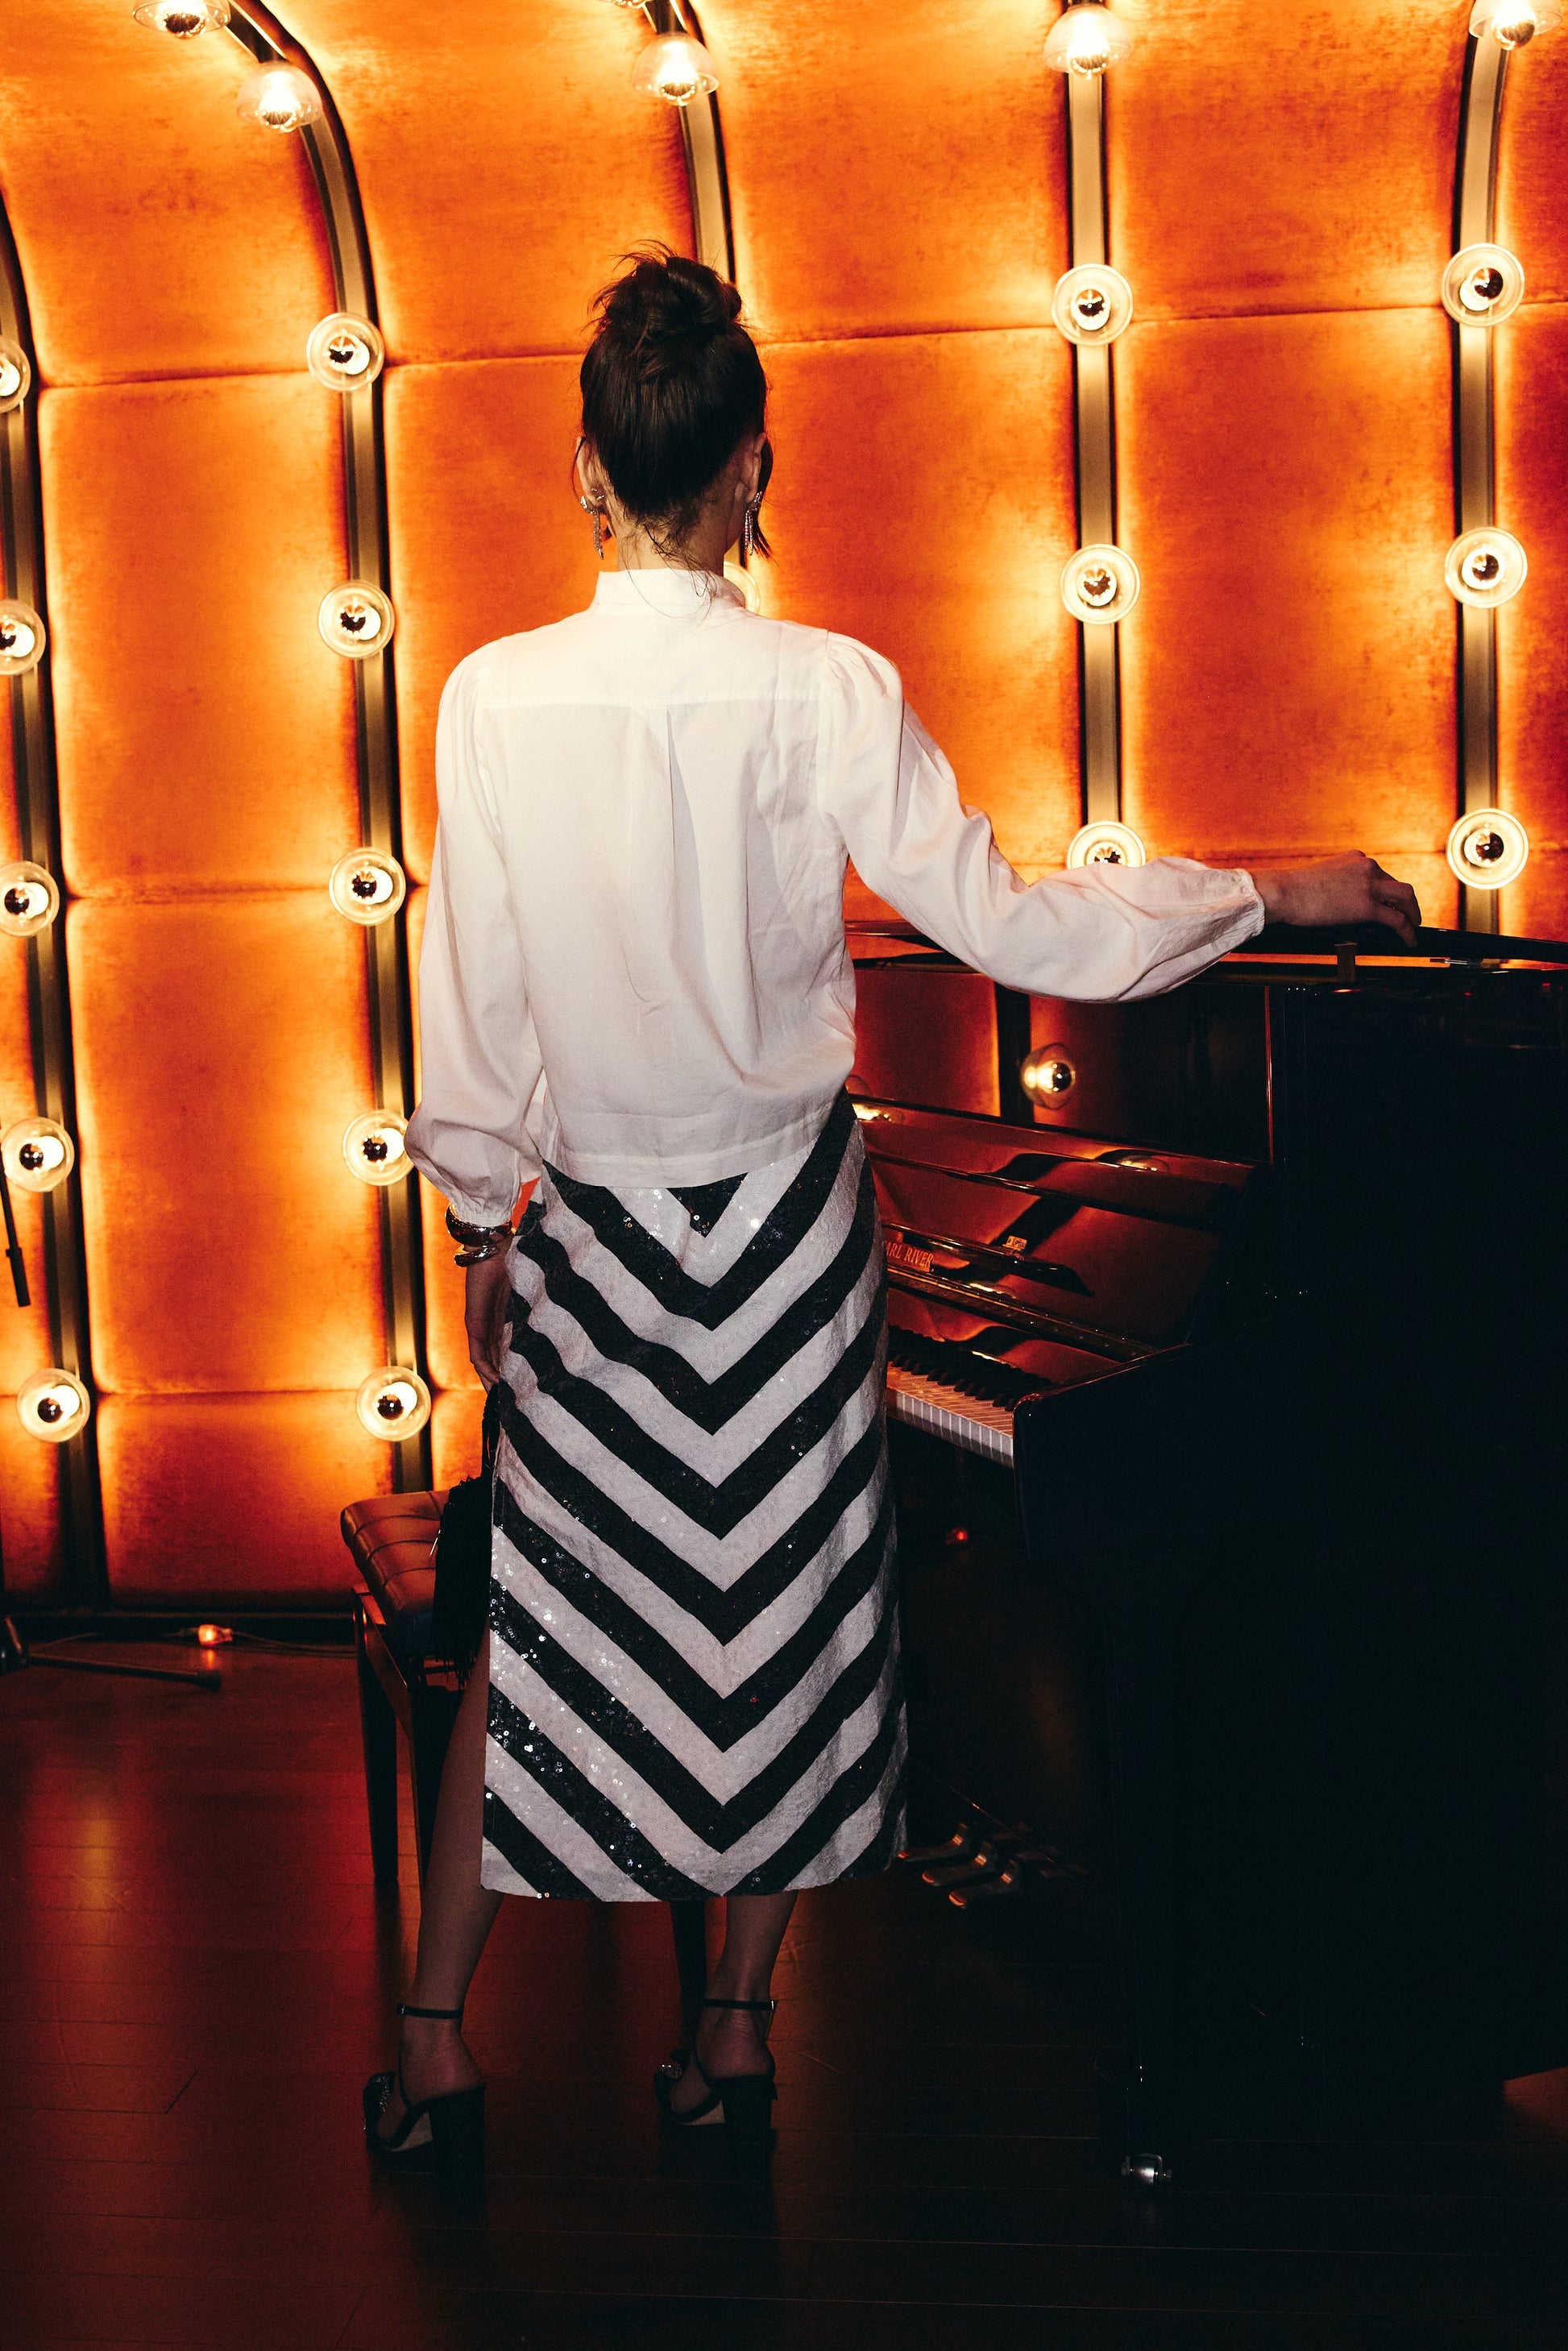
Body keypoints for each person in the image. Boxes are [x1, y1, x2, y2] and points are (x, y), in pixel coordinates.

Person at [364, 247, 1421, 2195]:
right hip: (784, 1244)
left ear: (588, 468)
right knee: (782, 1619)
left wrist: (481, 1233)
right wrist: (1268, 889)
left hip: (596, 1242)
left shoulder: (492, 697)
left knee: (542, 1620)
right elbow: (1012, 924)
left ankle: (433, 2041)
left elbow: (472, 997)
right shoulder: (827, 686)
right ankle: (732, 2033)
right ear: (750, 467)